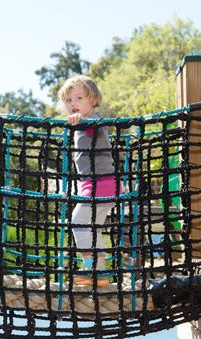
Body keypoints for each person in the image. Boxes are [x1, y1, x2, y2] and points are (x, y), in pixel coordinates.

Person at [58, 75, 117, 287]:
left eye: (79, 98)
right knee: (93, 228)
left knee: (77, 221)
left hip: (99, 185)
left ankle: (91, 265)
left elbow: (93, 125)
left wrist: (79, 122)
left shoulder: (93, 120)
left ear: (92, 100)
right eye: (68, 100)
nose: (73, 103)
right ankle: (98, 271)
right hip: (101, 185)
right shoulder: (83, 123)